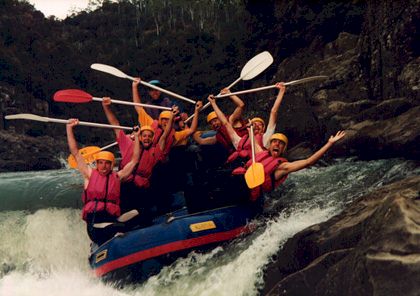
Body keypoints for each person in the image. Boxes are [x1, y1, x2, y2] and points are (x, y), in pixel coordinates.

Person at [66, 118, 141, 245]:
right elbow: (75, 152)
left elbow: (134, 160)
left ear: (112, 165)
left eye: (107, 163)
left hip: (111, 220)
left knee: (139, 214)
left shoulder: (118, 176)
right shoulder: (89, 174)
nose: (104, 166)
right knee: (120, 228)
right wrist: (69, 128)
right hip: (95, 226)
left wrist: (137, 137)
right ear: (96, 164)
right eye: (100, 163)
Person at [101, 98, 177, 215]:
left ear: (152, 139)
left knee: (145, 207)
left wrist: (171, 116)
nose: (146, 138)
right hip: (125, 185)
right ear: (139, 137)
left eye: (149, 136)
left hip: (142, 189)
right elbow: (115, 124)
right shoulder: (127, 143)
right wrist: (106, 107)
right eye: (144, 135)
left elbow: (165, 134)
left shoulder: (155, 151)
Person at [232, 130, 346, 202]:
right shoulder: (260, 153)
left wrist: (329, 143)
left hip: (248, 195)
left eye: (280, 143)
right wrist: (250, 128)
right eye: (274, 141)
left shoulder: (283, 167)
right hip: (237, 180)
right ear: (270, 145)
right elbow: (255, 142)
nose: (277, 144)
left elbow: (308, 162)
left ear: (283, 149)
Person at [207, 83, 287, 166]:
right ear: (248, 128)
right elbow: (225, 123)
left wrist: (281, 91)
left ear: (263, 129)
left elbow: (273, 112)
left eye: (260, 125)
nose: (256, 126)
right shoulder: (239, 141)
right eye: (253, 124)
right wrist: (213, 103)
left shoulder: (266, 139)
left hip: (264, 167)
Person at [132, 78, 202, 156]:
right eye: (152, 90)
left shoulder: (171, 103)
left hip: (175, 142)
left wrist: (195, 112)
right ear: (149, 92)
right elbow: (138, 107)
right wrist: (134, 86)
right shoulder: (148, 109)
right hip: (159, 144)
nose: (154, 92)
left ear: (160, 90)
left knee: (192, 149)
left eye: (157, 89)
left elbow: (187, 127)